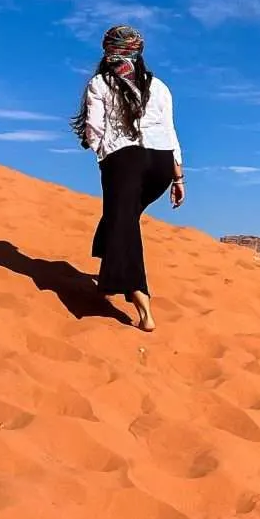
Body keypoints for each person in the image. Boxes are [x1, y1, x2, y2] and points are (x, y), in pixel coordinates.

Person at [70, 24, 185, 331]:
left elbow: (94, 129)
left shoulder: (99, 83)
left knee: (124, 223)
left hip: (125, 160)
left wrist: (98, 151)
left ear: (107, 50)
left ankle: (141, 302)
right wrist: (178, 178)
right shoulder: (160, 86)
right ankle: (107, 275)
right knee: (123, 217)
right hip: (161, 165)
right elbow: (171, 132)